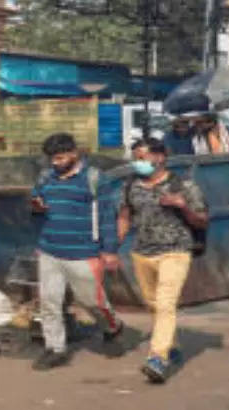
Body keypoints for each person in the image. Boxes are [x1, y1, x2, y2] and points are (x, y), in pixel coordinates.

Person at [29, 133, 126, 370]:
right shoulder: (46, 177)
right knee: (49, 302)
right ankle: (55, 348)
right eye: (52, 158)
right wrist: (35, 204)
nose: (56, 163)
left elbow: (106, 217)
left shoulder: (94, 179)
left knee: (91, 300)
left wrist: (110, 251)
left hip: (84, 252)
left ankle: (112, 326)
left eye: (60, 157)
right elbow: (35, 198)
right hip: (50, 250)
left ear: (75, 153)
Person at [117, 139, 209, 383]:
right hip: (142, 253)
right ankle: (171, 345)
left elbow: (202, 221)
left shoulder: (184, 186)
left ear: (160, 157)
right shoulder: (131, 186)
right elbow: (125, 217)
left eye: (143, 157)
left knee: (166, 303)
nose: (138, 163)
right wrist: (111, 247)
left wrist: (182, 206)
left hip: (175, 251)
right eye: (135, 158)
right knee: (152, 304)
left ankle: (157, 358)